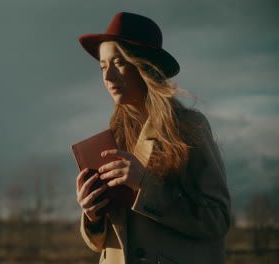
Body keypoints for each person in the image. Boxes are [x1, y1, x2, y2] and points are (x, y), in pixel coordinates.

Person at [75, 12, 231, 264]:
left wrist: (144, 186)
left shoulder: (189, 127)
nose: (108, 77)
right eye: (103, 66)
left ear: (146, 66)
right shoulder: (111, 136)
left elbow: (218, 220)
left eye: (119, 63)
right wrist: (92, 216)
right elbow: (106, 241)